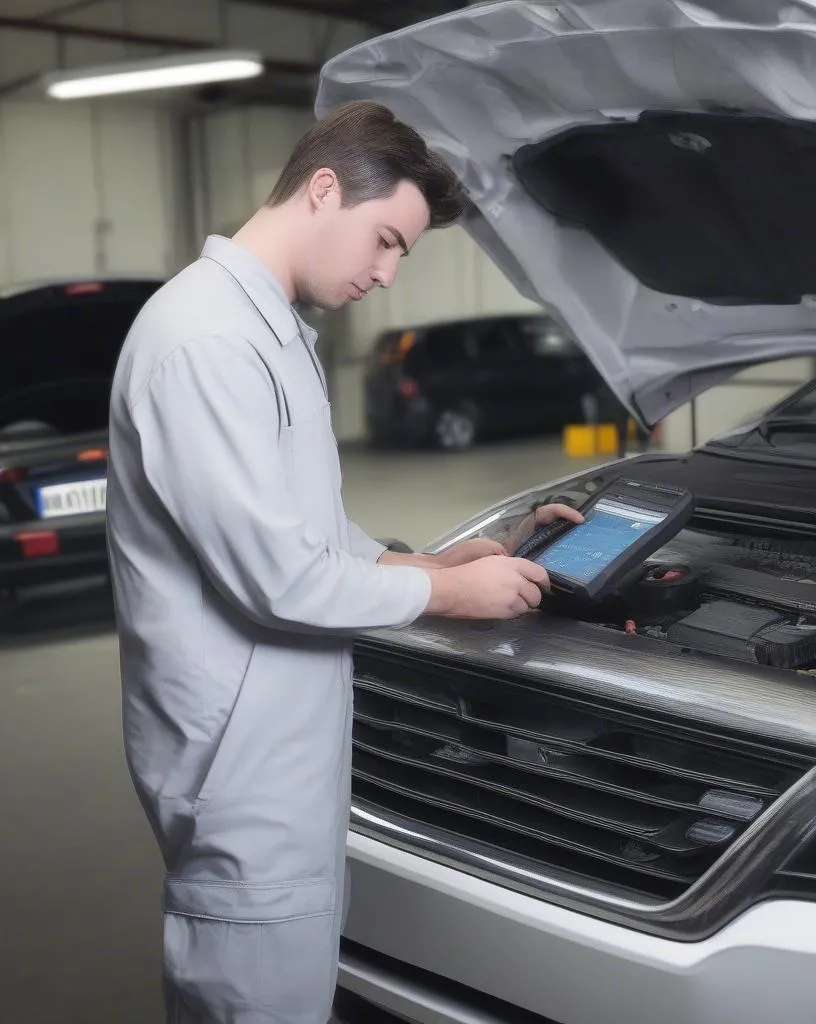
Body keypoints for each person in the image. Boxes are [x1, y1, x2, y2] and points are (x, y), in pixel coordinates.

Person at [105, 100, 583, 1024]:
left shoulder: (269, 334)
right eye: (387, 239)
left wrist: (435, 559)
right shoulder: (206, 341)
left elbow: (305, 535)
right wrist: (447, 593)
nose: (387, 272)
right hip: (240, 771)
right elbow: (277, 579)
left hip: (281, 750)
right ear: (324, 189)